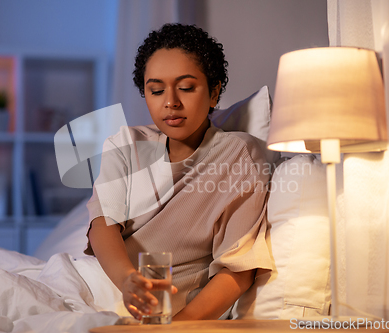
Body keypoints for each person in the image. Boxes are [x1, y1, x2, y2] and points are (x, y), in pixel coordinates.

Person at [85, 23, 272, 321]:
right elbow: (102, 224)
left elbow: (238, 270)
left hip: (169, 312)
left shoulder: (240, 155)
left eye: (185, 88)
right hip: (95, 284)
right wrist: (127, 281)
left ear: (214, 92)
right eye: (156, 90)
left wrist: (179, 328)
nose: (171, 102)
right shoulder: (125, 144)